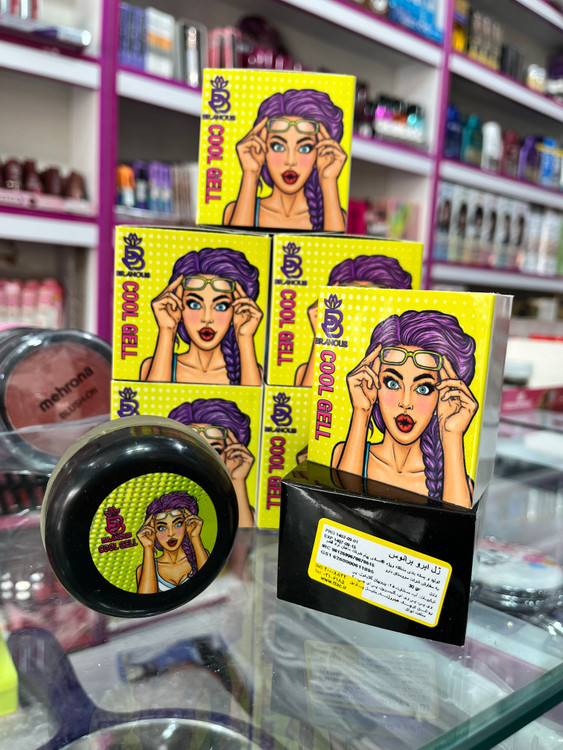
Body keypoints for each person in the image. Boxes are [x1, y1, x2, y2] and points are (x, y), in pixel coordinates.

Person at [332, 310, 478, 508]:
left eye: (423, 388)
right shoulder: (345, 453)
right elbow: (341, 511)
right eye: (392, 383)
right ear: (374, 384)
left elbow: (455, 525)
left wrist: (452, 435)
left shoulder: (457, 482)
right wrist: (361, 411)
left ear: (444, 396)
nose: (406, 402)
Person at [223, 89, 347, 231]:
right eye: (278, 147)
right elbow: (238, 245)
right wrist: (250, 173)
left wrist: (329, 181)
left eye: (304, 148)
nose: (290, 160)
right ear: (261, 147)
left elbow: (333, 246)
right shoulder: (235, 210)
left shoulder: (334, 216)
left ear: (320, 153)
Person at [140, 247, 262, 385]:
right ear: (178, 305)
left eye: (221, 306)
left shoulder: (250, 371)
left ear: (237, 311)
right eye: (194, 305)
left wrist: (245, 338)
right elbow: (155, 398)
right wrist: (167, 330)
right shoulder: (150, 367)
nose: (207, 318)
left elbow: (252, 399)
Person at [294, 255, 413, 387]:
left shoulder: (405, 365)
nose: (361, 305)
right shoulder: (306, 370)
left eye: (373, 296)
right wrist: (321, 336)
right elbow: (306, 398)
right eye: (351, 294)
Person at [168, 399, 255, 528]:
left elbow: (244, 536)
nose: (202, 460)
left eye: (216, 451)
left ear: (232, 454)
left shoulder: (245, 512)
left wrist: (237, 480)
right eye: (191, 450)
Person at [136, 491, 209, 593]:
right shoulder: (143, 569)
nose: (170, 533)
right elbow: (146, 600)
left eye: (178, 524)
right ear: (152, 529)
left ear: (187, 523)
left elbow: (211, 587)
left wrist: (195, 538)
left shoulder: (200, 556)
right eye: (161, 528)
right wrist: (148, 548)